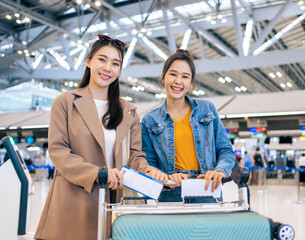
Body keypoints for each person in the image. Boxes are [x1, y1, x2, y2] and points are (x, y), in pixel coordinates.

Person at [35, 34, 167, 240]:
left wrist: (149, 170)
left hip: (113, 204)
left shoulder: (128, 111)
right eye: (102, 60)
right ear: (88, 61)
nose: (108, 68)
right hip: (73, 201)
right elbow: (59, 152)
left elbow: (135, 155)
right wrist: (98, 173)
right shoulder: (65, 103)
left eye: (115, 63)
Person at [141, 49, 235, 203]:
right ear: (163, 78)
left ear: (191, 83)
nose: (178, 81)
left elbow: (226, 150)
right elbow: (149, 163)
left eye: (185, 76)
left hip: (207, 188)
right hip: (171, 194)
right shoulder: (150, 120)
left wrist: (220, 170)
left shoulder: (207, 110)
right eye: (173, 74)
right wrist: (167, 178)